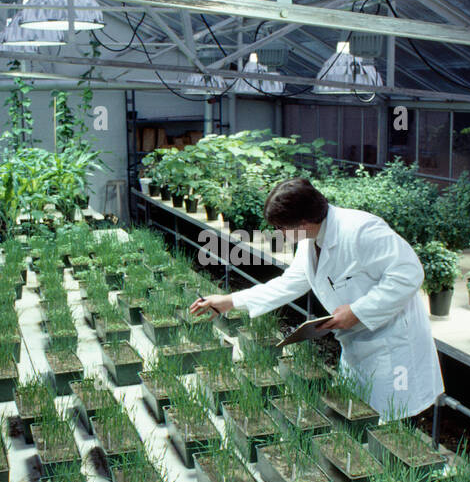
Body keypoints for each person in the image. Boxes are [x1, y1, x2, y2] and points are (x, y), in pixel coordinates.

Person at [189, 176, 443, 418]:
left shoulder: (362, 230)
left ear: (304, 222)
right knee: (360, 417)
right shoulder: (311, 239)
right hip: (360, 345)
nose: (278, 233)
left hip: (393, 345)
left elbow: (409, 274)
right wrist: (229, 302)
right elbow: (290, 283)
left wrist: (357, 311)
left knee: (391, 424)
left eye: (281, 228)